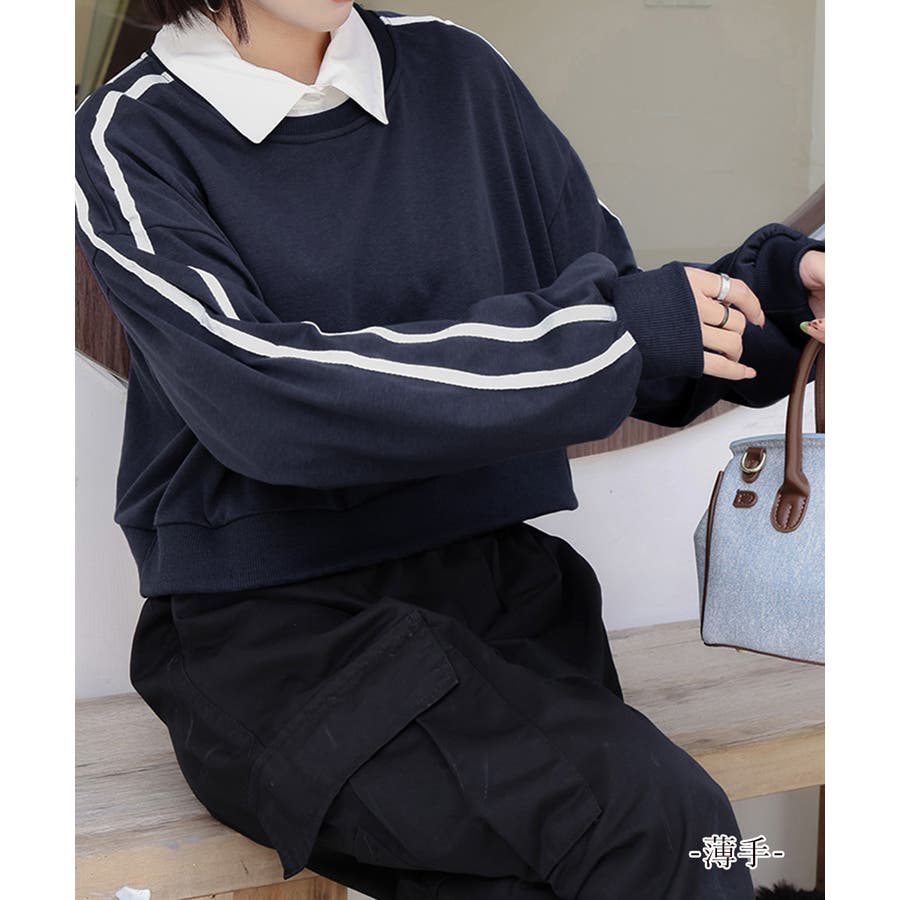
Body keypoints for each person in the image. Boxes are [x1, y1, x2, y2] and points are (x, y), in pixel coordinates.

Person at [74, 1, 825, 898]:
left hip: (501, 606)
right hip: (281, 640)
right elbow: (265, 400)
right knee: (667, 829)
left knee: (625, 859)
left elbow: (624, 332)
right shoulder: (132, 134)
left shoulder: (456, 72)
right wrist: (613, 331)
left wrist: (781, 300)